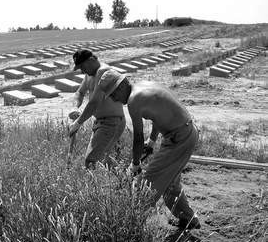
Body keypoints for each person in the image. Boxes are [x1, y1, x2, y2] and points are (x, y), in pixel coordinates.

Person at [69, 74, 200, 230]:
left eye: (114, 94)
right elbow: (157, 117)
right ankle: (188, 218)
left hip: (179, 139)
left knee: (146, 185)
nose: (115, 100)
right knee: (170, 181)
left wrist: (135, 164)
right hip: (185, 133)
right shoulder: (145, 85)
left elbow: (138, 136)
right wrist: (151, 141)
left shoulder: (134, 100)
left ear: (123, 85)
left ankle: (130, 229)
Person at [69, 49, 127, 169]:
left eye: (82, 66)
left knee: (91, 161)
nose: (82, 70)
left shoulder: (104, 72)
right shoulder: (89, 75)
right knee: (104, 161)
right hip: (101, 123)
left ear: (91, 60)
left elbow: (94, 102)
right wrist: (75, 107)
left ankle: (126, 180)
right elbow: (79, 93)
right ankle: (126, 180)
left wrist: (78, 123)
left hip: (112, 122)